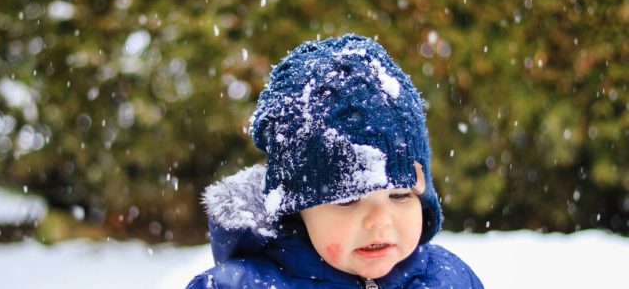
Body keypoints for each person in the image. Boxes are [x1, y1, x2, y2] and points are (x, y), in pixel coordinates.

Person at [186, 34, 484, 288]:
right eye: (349, 199)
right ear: (297, 210)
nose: (380, 219)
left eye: (401, 194)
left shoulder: (450, 278)